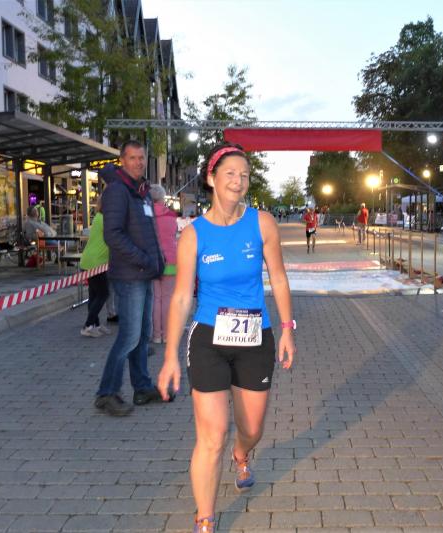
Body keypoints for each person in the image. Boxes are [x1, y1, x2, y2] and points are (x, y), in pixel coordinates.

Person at [157, 143, 296, 533]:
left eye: (244, 175)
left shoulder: (262, 223)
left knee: (252, 429)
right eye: (230, 173)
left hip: (255, 338)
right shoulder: (193, 235)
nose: (238, 181)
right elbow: (181, 297)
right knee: (212, 435)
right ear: (212, 178)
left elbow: (279, 278)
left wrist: (287, 329)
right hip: (209, 340)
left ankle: (242, 453)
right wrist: (169, 356)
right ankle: (205, 517)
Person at [95, 140, 168, 417]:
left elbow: (147, 233)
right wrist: (144, 259)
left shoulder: (141, 191)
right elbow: (112, 235)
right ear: (122, 161)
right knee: (129, 337)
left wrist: (156, 260)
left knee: (143, 335)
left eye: (141, 157)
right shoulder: (117, 190)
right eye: (133, 158)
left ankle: (142, 387)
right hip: (130, 275)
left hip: (144, 273)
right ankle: (106, 393)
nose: (138, 162)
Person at [150, 184, 178, 344]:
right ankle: (167, 335)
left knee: (156, 299)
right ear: (162, 198)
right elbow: (174, 234)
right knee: (167, 298)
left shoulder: (146, 215)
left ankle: (156, 335)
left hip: (153, 261)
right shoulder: (171, 215)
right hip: (171, 260)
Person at [79, 196, 111, 338]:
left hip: (89, 260)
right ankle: (88, 325)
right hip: (97, 262)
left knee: (94, 295)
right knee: (103, 293)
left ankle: (95, 324)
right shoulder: (106, 220)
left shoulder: (99, 217)